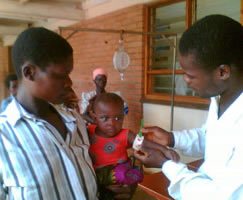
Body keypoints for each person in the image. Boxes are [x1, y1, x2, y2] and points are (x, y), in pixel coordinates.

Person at [0, 27, 134, 200]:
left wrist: (109, 191)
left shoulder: (74, 121)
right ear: (29, 73)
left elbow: (83, 177)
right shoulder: (4, 136)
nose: (69, 83)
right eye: (61, 75)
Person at [134, 14, 243, 200]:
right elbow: (212, 139)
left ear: (222, 72)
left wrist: (167, 165)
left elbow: (223, 196)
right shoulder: (221, 98)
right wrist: (172, 138)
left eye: (190, 75)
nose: (185, 80)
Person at [88, 92, 179, 200]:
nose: (111, 123)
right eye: (105, 118)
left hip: (120, 177)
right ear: (94, 117)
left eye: (118, 118)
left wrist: (165, 150)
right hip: (97, 178)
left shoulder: (125, 134)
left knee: (122, 175)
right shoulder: (88, 131)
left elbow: (143, 142)